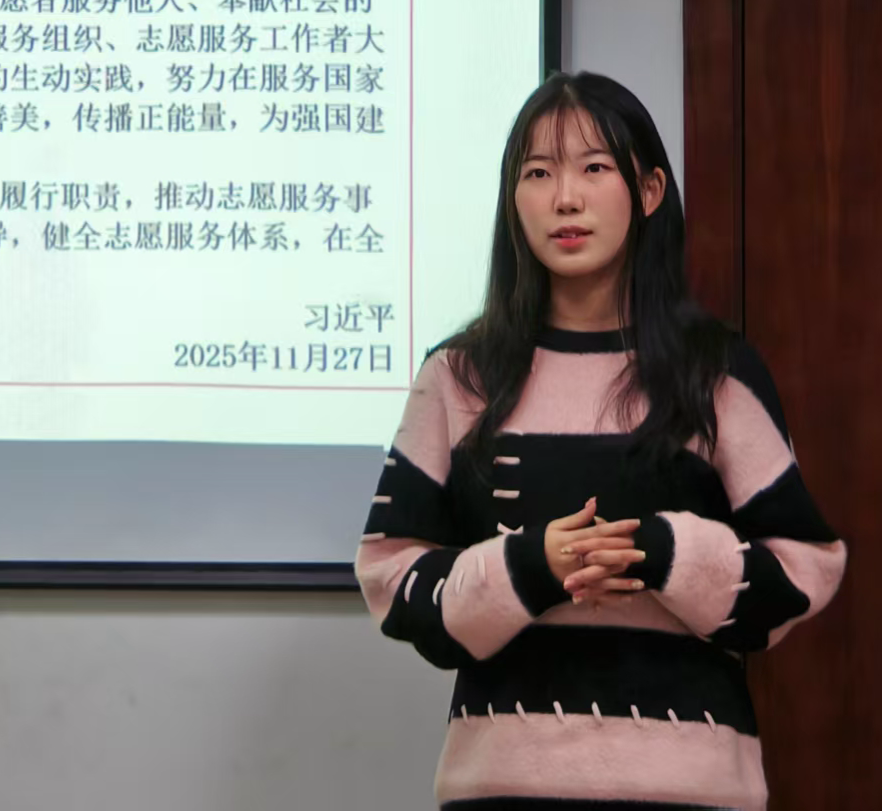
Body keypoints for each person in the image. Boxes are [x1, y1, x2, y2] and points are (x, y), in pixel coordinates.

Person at [356, 72, 846, 810]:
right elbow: (392, 578)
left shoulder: (715, 372)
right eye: (538, 173)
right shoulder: (458, 376)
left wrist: (664, 553)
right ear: (512, 197)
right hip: (504, 786)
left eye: (593, 168)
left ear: (648, 191)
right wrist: (529, 566)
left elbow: (804, 569)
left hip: (692, 789)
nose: (565, 199)